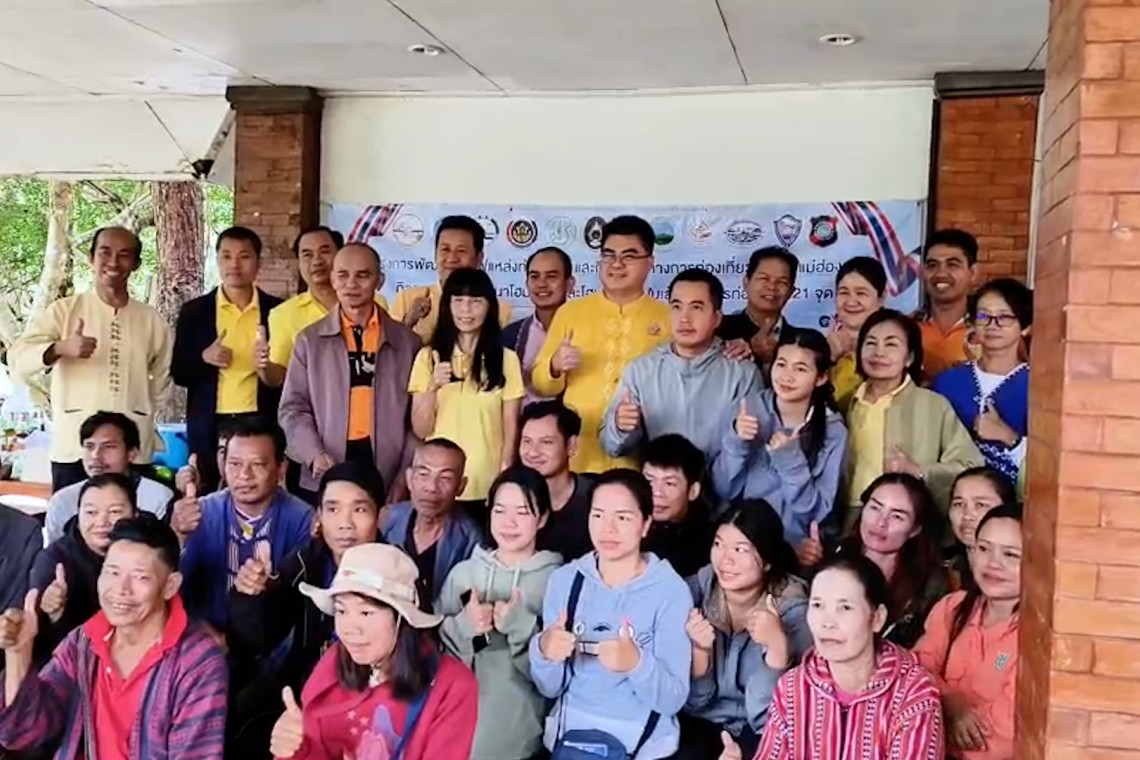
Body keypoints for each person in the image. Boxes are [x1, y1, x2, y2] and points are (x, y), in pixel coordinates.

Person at [0, 515, 228, 759]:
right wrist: (18, 654)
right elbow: (24, 732)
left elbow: (197, 754)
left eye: (140, 576)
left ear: (170, 585)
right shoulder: (83, 642)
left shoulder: (197, 663)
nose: (120, 589)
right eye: (112, 572)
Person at [226, 460, 386, 759]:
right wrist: (251, 596)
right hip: (304, 696)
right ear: (319, 516)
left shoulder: (398, 574)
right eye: (333, 509)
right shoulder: (306, 562)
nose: (345, 524)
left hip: (373, 708)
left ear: (380, 515)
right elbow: (260, 638)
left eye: (360, 509)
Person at [529, 468, 691, 759]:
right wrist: (544, 650)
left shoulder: (670, 591)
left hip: (643, 748)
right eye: (598, 515)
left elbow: (673, 699)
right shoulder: (566, 581)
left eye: (623, 517)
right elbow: (548, 688)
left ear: (646, 524)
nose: (608, 529)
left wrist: (636, 664)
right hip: (570, 743)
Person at [720, 553, 944, 760]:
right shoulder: (793, 688)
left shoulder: (913, 695)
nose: (827, 622)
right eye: (818, 605)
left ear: (877, 618)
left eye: (844, 608)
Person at [266, 544, 478, 760]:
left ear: (402, 619)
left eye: (366, 613)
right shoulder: (332, 663)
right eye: (341, 610)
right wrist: (295, 749)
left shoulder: (452, 686)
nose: (349, 629)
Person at [9, 227, 173, 492]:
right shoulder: (64, 311)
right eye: (105, 252)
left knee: (131, 516)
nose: (113, 262)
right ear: (91, 258)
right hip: (75, 447)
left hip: (132, 449)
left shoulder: (151, 320)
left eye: (124, 255)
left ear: (136, 264)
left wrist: (141, 412)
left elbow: (163, 380)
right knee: (72, 515)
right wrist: (60, 348)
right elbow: (18, 358)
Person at [438, 466, 563, 760]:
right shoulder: (464, 574)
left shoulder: (556, 580)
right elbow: (437, 658)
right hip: (454, 729)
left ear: (542, 517)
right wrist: (468, 628)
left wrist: (520, 627)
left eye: (522, 511)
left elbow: (552, 678)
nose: (509, 522)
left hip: (517, 736)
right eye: (500, 510)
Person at [279, 243, 420, 503]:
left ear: (379, 281)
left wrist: (403, 477)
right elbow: (293, 408)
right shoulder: (310, 341)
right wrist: (314, 453)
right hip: (325, 466)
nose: (351, 284)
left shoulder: (407, 343)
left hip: (386, 472)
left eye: (363, 275)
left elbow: (417, 420)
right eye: (343, 275)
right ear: (333, 279)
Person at [532, 215, 671, 473]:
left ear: (650, 262)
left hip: (642, 457)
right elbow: (541, 384)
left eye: (628, 256)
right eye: (609, 255)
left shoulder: (668, 317)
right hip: (579, 455)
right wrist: (555, 366)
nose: (616, 264)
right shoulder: (571, 312)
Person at [680, 502, 812, 760]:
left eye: (740, 549)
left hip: (762, 730)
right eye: (718, 544)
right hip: (702, 724)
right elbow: (694, 705)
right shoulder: (693, 595)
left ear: (767, 561)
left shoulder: (795, 614)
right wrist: (700, 655)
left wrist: (777, 651)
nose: (725, 560)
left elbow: (772, 720)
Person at [602, 268, 763, 459]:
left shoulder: (743, 373)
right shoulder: (642, 369)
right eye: (677, 307)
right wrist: (620, 427)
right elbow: (611, 446)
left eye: (696, 307)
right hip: (658, 477)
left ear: (716, 318)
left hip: (725, 478)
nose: (684, 318)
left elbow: (755, 450)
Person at [172, 417, 314, 631]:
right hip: (201, 636)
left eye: (257, 464)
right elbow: (172, 586)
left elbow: (301, 602)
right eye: (235, 464)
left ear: (281, 468)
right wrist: (177, 535)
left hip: (273, 641)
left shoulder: (302, 520)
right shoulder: (198, 513)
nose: (244, 475)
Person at [711, 328, 848, 544]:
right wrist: (736, 442)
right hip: (742, 541)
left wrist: (791, 462)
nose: (787, 376)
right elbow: (722, 491)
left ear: (821, 377)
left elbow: (818, 514)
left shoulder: (833, 432)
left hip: (794, 548)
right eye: (781, 364)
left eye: (800, 369)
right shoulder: (747, 409)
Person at [172, 226, 284, 492]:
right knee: (208, 492)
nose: (235, 264)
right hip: (210, 422)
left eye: (244, 256)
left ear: (258, 262)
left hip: (260, 419)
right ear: (217, 259)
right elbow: (179, 372)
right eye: (226, 256)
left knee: (258, 490)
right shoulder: (195, 311)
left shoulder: (277, 311)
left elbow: (285, 377)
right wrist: (204, 357)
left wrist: (266, 364)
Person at [844, 308, 983, 518]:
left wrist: (920, 472)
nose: (878, 352)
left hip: (906, 517)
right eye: (870, 343)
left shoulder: (932, 405)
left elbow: (970, 465)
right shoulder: (847, 402)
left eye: (891, 344)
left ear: (909, 357)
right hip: (850, 515)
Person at [409, 267, 524, 508]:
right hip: (440, 487)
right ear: (447, 306)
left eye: (475, 301)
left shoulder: (507, 360)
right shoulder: (428, 357)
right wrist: (433, 387)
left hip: (488, 484)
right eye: (458, 301)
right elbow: (420, 430)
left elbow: (510, 427)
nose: (466, 310)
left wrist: (503, 477)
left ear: (489, 307)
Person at [914, 503, 1021, 760]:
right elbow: (915, 670)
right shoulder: (953, 607)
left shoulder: (1035, 636)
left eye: (1010, 555)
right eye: (983, 549)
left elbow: (1003, 738)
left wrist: (934, 723)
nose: (993, 563)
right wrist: (952, 703)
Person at [797, 473, 948, 649]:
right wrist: (808, 566)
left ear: (915, 529)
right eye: (875, 508)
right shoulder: (831, 555)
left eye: (897, 516)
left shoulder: (929, 583)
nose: (881, 522)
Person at [930, 278, 1032, 483]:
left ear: (1025, 327)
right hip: (950, 494)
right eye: (984, 316)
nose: (992, 325)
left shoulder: (1037, 386)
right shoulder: (947, 382)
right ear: (972, 323)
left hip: (1011, 498)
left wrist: (1009, 437)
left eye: (1004, 317)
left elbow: (1052, 459)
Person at [262, 227, 389, 389]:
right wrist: (263, 366)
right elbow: (279, 376)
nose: (317, 261)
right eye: (307, 255)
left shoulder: (376, 302)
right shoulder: (283, 314)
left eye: (324, 251)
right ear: (299, 263)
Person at [30, 473, 137, 661]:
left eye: (114, 512)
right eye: (91, 512)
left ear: (135, 515)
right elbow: (35, 640)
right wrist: (53, 614)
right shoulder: (54, 560)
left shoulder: (145, 551)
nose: (102, 522)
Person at [381, 439, 483, 605]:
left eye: (445, 478)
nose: (431, 487)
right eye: (423, 474)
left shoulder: (471, 541)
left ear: (460, 486)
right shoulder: (387, 520)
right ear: (409, 479)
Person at [45, 411, 173, 542]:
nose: (95, 455)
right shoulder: (63, 501)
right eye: (89, 446)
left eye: (108, 447)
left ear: (132, 454)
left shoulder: (158, 497)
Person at [389, 214, 513, 342]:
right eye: (445, 249)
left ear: (479, 258)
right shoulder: (406, 300)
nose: (451, 258)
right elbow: (389, 350)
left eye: (461, 250)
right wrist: (409, 322)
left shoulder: (500, 310)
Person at [520, 400, 596, 561]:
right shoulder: (510, 497)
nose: (532, 452)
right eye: (526, 441)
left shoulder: (596, 498)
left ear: (571, 445)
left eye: (546, 442)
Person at [502, 246, 576, 405]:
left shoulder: (586, 330)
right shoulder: (510, 335)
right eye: (534, 277)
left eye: (551, 277)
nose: (541, 284)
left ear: (569, 284)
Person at [716, 246, 799, 377]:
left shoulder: (803, 341)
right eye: (763, 279)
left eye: (782, 282)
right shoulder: (717, 330)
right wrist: (751, 349)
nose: (772, 287)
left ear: (791, 292)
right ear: (746, 283)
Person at [641, 434, 715, 579]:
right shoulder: (628, 528)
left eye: (669, 483)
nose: (657, 492)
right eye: (649, 481)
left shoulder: (708, 542)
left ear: (693, 491)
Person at [918, 229, 980, 379]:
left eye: (952, 265)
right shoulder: (906, 328)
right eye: (932, 265)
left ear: (973, 273)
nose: (941, 273)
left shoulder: (988, 329)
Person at [827, 256, 886, 410]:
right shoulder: (819, 348)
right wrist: (827, 359)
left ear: (881, 298)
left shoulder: (895, 347)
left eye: (861, 293)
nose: (851, 301)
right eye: (844, 292)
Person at [945, 467, 1017, 591]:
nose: (967, 516)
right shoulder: (947, 569)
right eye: (958, 504)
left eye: (980, 505)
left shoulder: (1020, 572)